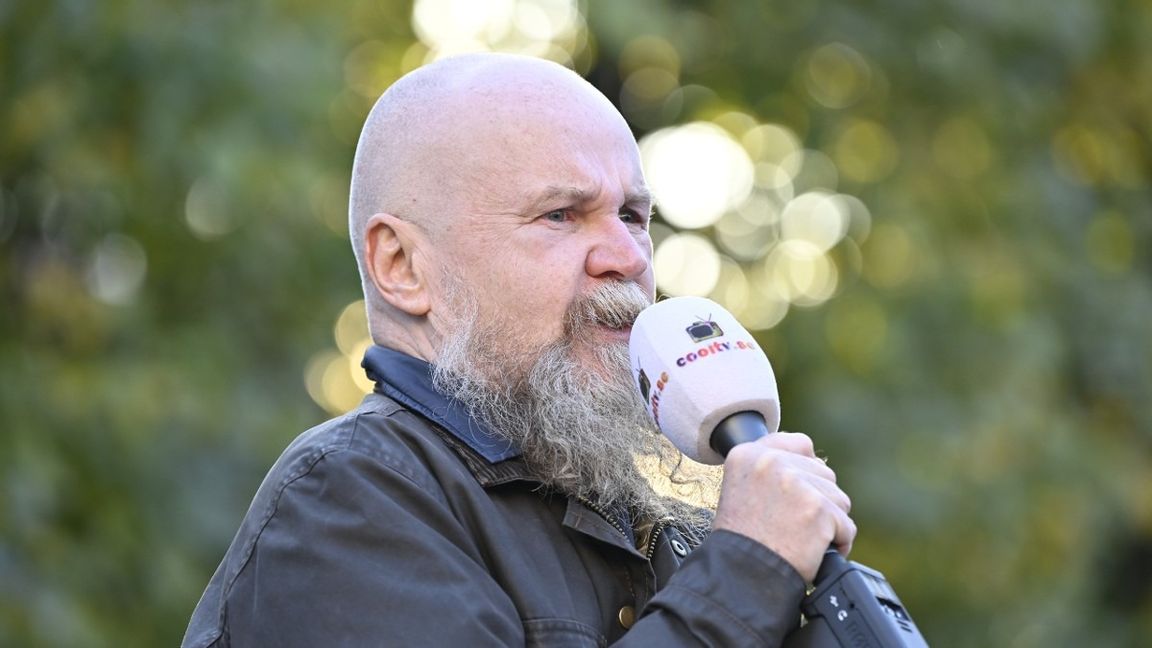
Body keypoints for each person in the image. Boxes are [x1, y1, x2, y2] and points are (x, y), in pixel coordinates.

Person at [183, 52, 855, 647]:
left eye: (632, 216)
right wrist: (744, 573)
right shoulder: (346, 497)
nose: (626, 257)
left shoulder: (640, 516)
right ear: (403, 267)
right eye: (559, 215)